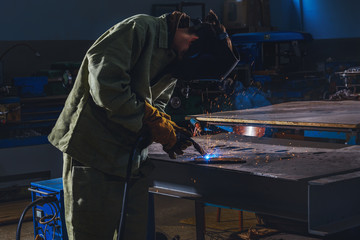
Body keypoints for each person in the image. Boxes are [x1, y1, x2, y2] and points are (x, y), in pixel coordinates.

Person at [48, 10, 238, 240]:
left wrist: (166, 128)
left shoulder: (174, 59)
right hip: (93, 155)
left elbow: (157, 105)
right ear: (194, 40)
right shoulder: (139, 30)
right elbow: (106, 85)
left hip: (131, 161)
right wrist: (150, 118)